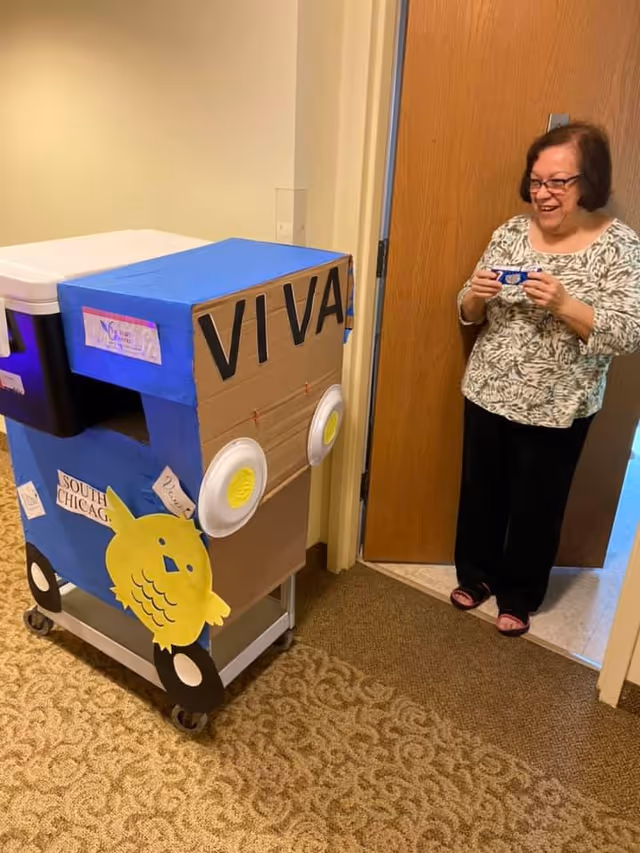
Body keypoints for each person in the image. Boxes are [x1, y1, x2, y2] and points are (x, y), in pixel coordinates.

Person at [451, 121, 640, 637]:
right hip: (489, 388)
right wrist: (476, 294)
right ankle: (477, 575)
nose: (544, 193)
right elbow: (467, 309)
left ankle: (519, 594)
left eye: (559, 181)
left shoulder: (619, 245)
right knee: (480, 490)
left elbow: (627, 332)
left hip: (561, 403)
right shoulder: (511, 232)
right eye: (537, 181)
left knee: (538, 505)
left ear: (589, 182)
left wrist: (564, 303)